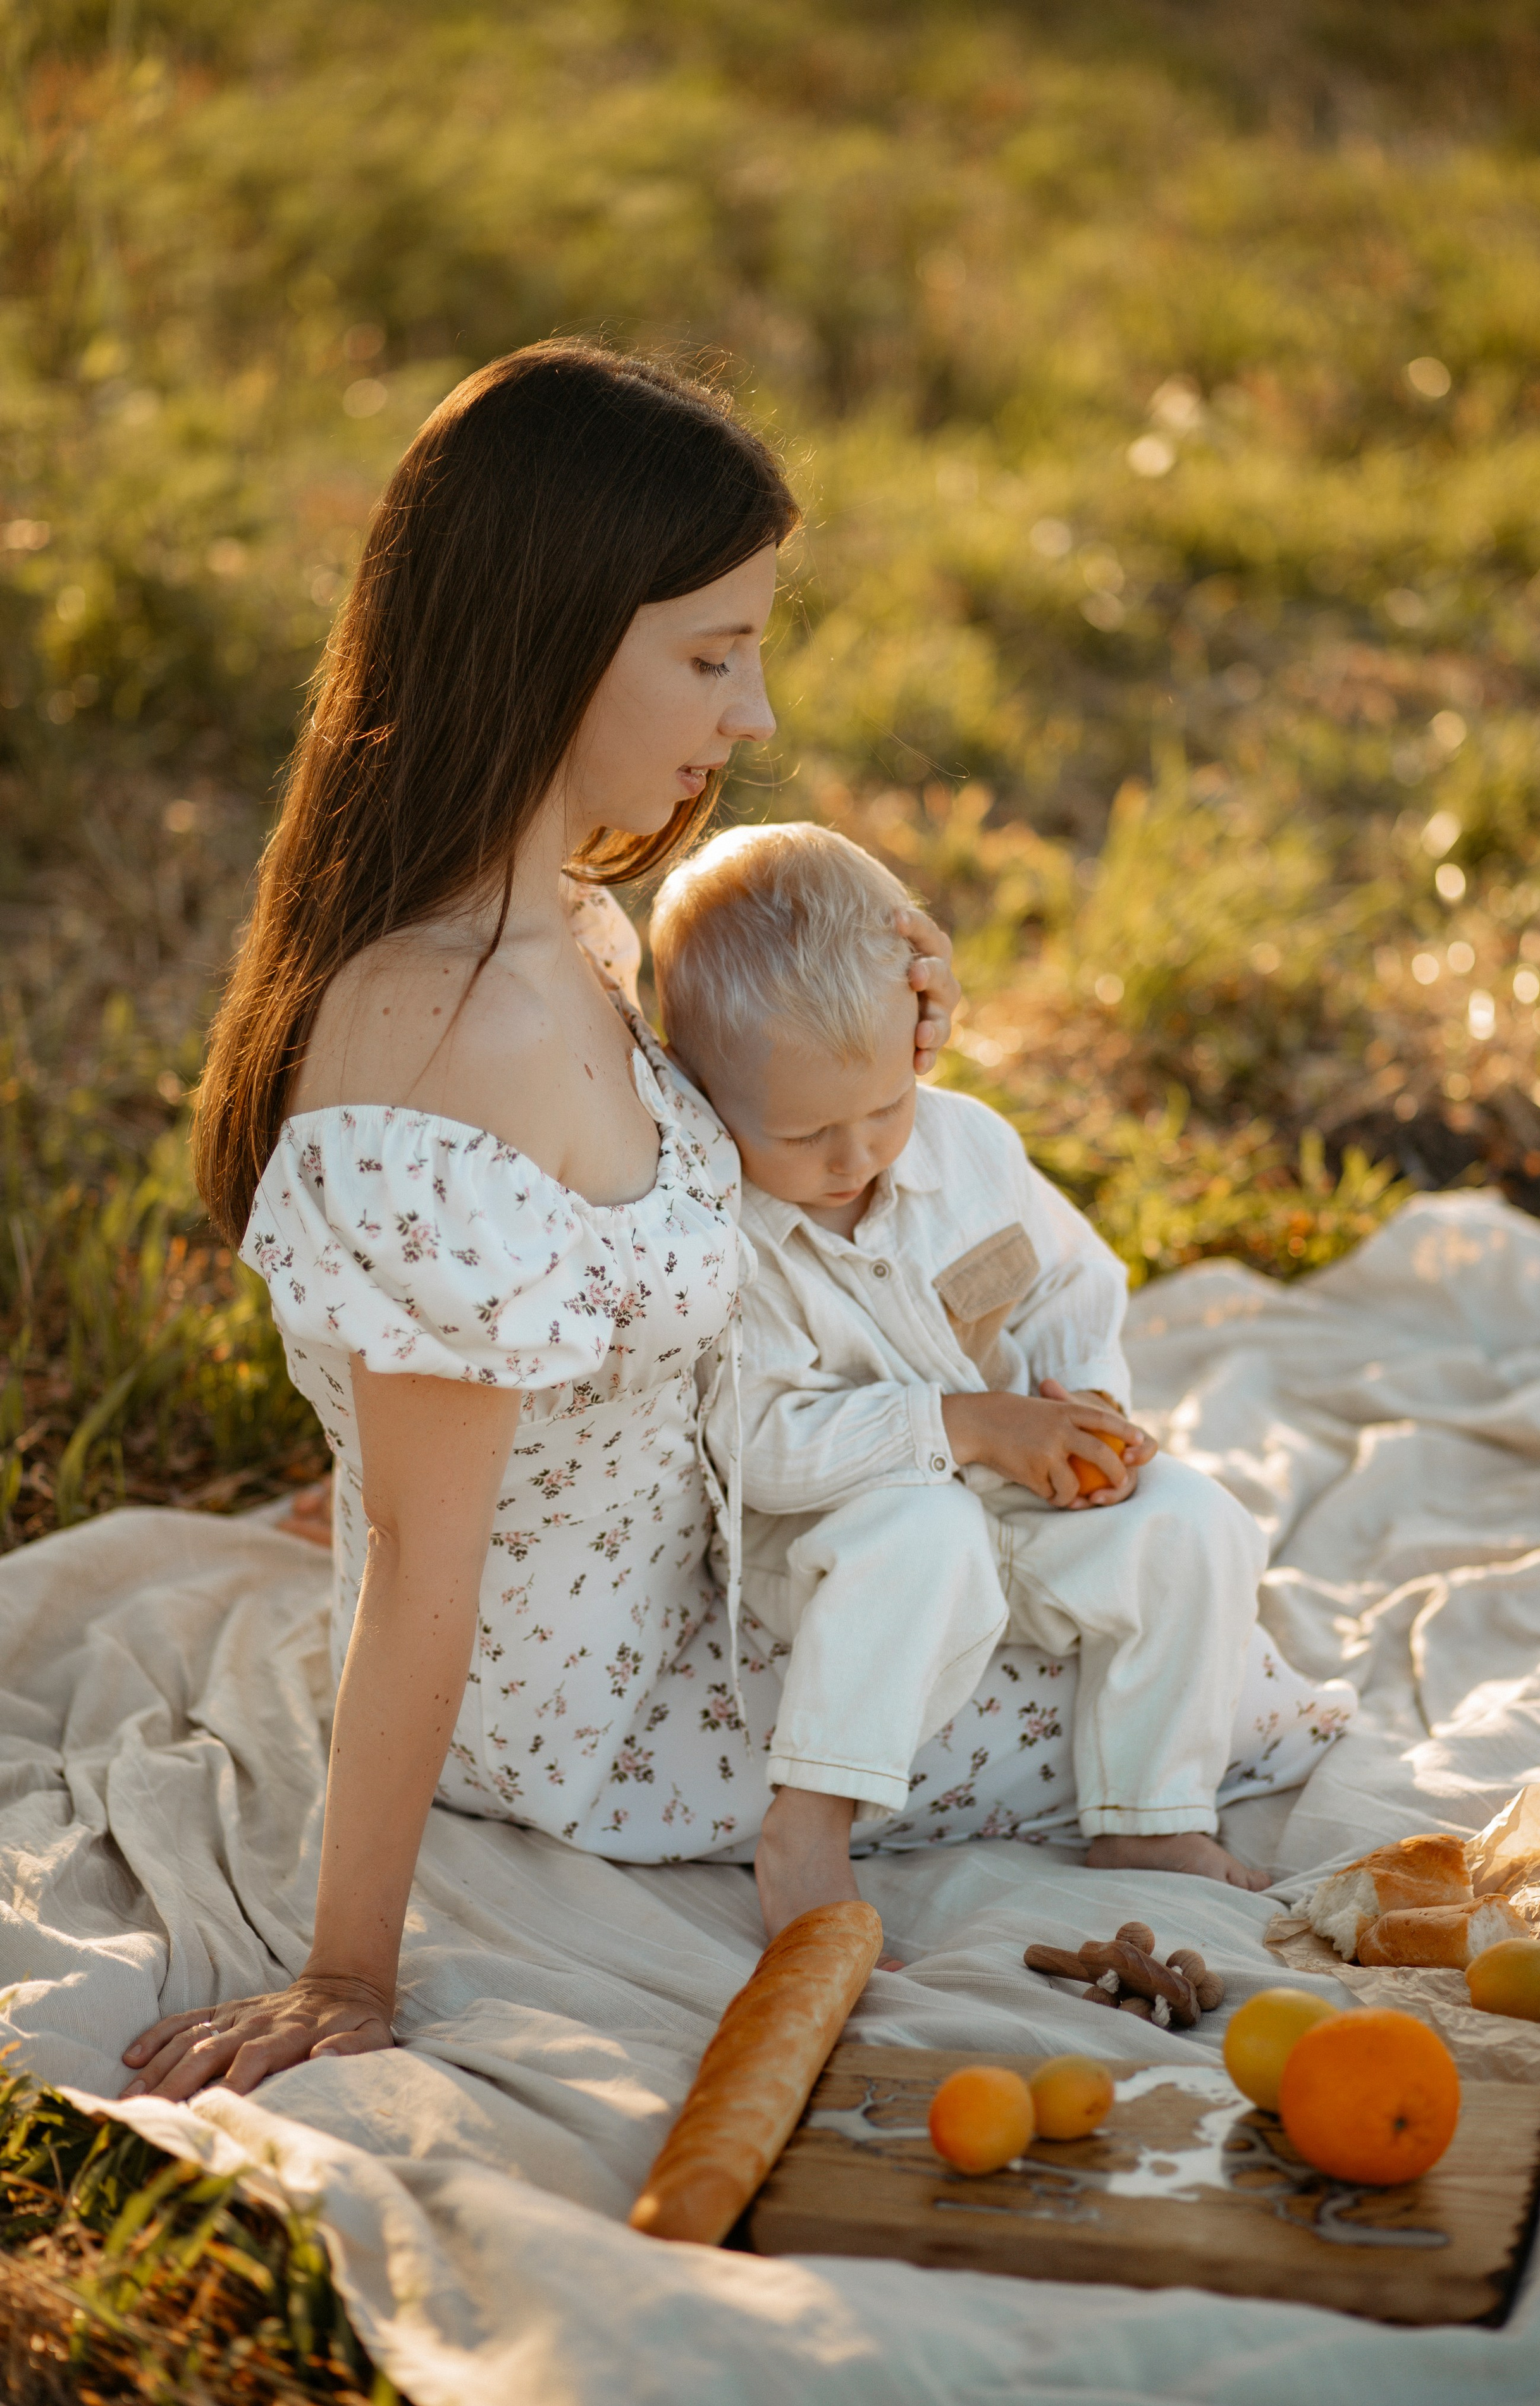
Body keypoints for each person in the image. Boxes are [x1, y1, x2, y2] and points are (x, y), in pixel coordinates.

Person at [121, 342, 1096, 2105]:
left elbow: (640, 1188)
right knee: (1137, 1682)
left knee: (1099, 1566)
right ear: (551, 638)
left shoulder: (565, 919)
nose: (757, 715)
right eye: (713, 655)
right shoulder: (449, 1030)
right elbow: (428, 1566)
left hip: (698, 1554)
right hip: (596, 1721)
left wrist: (886, 1046)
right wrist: (349, 1971)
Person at [651, 823, 1358, 1935]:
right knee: (926, 1541)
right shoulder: (728, 1238)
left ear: (918, 1045)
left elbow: (1072, 1286)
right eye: (804, 1134)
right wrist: (963, 1426)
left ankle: (1148, 1804)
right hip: (849, 1534)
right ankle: (811, 1825)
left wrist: (1086, 1402)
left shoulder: (967, 1150)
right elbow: (760, 1447)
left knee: (1198, 1525)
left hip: (1015, 1484)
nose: (855, 1157)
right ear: (697, 1094)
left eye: (882, 1108)